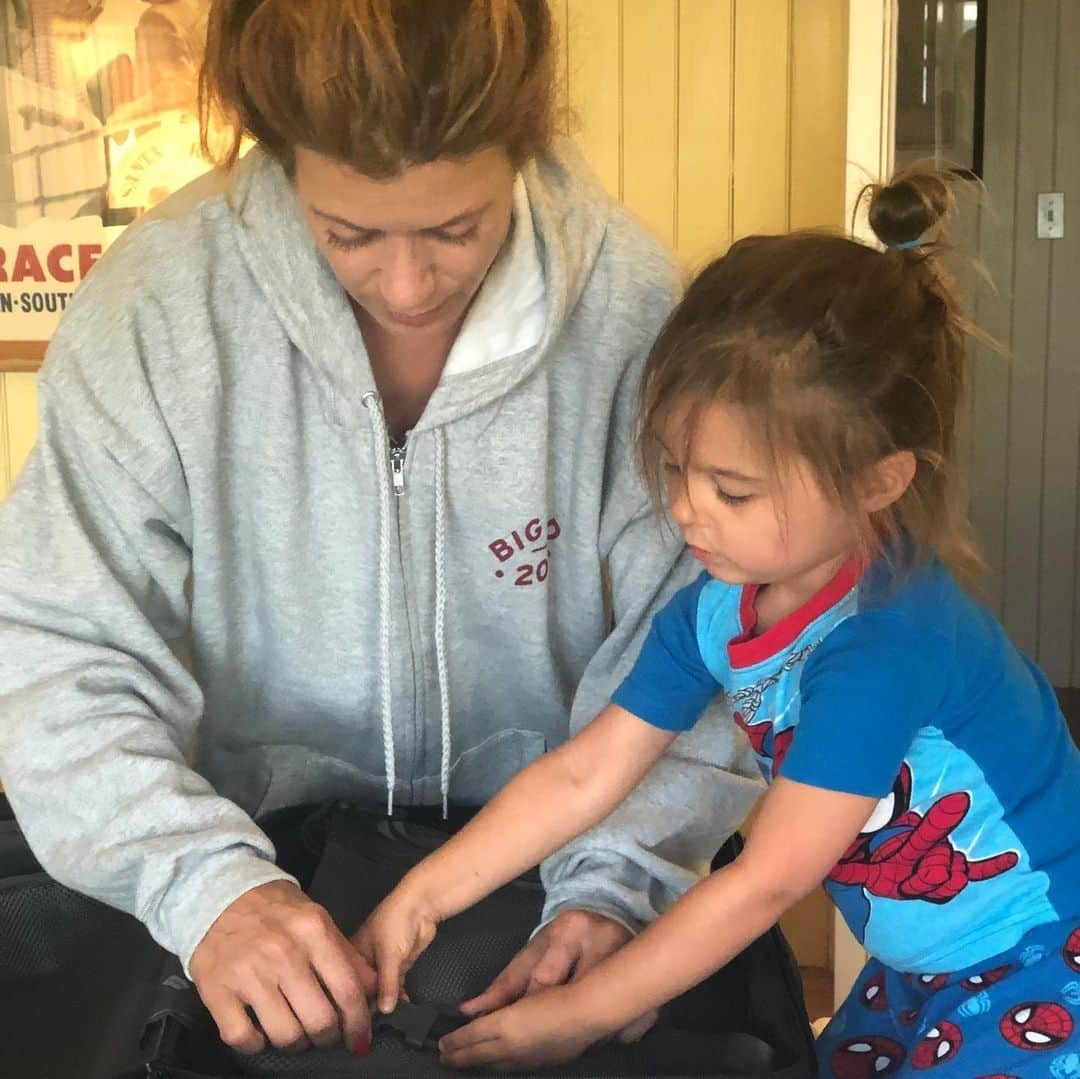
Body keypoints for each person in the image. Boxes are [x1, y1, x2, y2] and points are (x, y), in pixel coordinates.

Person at [0, 0, 762, 1060]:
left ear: (527, 148)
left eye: (457, 228)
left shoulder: (633, 315)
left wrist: (616, 885)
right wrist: (204, 883)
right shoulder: (157, 312)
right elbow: (57, 647)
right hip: (248, 861)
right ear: (275, 164)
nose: (407, 286)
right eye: (348, 232)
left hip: (554, 860)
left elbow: (716, 635)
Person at [355, 168, 1080, 1076]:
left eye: (732, 489)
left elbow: (764, 880)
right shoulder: (712, 614)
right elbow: (584, 775)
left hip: (1042, 964)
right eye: (674, 467)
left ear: (877, 481)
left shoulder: (886, 647)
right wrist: (421, 894)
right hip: (919, 971)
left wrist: (580, 1014)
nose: (687, 512)